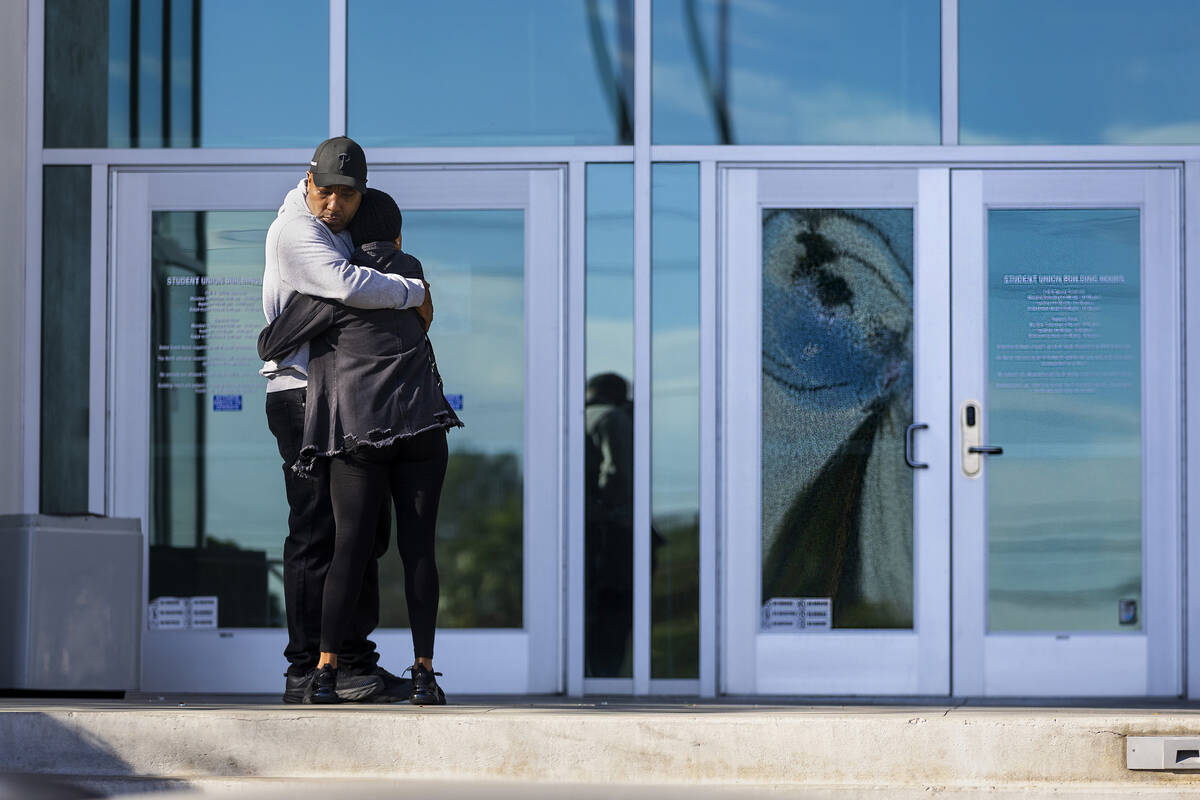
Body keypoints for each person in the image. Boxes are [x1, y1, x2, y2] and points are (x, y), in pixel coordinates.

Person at [258, 188, 462, 705]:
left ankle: (324, 670)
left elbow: (273, 341)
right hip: (416, 426)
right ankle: (412, 671)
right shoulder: (412, 280)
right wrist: (411, 292)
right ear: (397, 235)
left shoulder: (343, 284)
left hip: (353, 426)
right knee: (384, 544)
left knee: (337, 540)